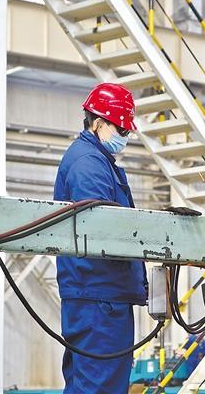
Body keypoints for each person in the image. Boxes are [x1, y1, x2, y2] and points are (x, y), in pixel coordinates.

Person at [55, 82, 147, 393]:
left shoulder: (98, 161)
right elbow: (103, 230)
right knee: (100, 387)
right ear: (98, 123)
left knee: (88, 385)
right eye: (121, 129)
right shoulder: (89, 164)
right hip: (99, 296)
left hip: (99, 295)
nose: (125, 136)